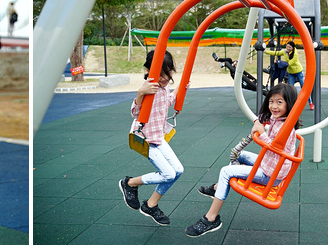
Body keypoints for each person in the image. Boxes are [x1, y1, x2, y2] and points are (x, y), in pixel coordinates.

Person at [185, 83, 300, 237]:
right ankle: (218, 188)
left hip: (270, 175)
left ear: (290, 104)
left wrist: (261, 133)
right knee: (242, 155)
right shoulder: (279, 120)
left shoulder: (286, 128)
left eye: (279, 102)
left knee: (226, 172)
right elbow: (266, 123)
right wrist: (260, 123)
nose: (274, 106)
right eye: (271, 101)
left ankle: (211, 218)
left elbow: (275, 149)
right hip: (269, 165)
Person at [118, 51, 182, 226]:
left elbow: (166, 102)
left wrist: (180, 89)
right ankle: (130, 183)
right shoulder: (147, 87)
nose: (165, 79)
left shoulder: (165, 86)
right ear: (149, 70)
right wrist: (140, 93)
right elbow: (135, 113)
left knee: (178, 170)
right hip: (145, 137)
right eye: (161, 75)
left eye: (168, 73)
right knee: (168, 173)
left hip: (158, 137)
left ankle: (151, 205)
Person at [266, 41, 314, 110]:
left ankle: (310, 103)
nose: (288, 48)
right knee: (290, 89)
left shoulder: (295, 54)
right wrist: (265, 51)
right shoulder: (285, 51)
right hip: (291, 73)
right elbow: (276, 53)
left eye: (290, 47)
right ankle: (292, 105)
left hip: (298, 72)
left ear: (293, 48)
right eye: (287, 46)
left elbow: (289, 63)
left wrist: (279, 62)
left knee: (304, 88)